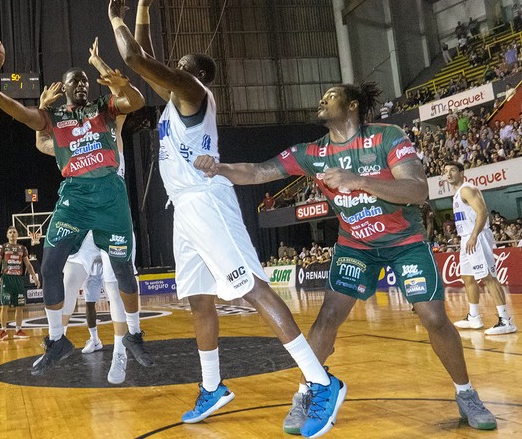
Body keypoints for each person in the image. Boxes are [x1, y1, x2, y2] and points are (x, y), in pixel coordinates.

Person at [108, 0, 345, 438]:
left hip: (207, 205)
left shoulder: (195, 95)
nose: (165, 72)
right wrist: (144, 9)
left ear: (191, 75)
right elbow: (146, 59)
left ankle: (322, 381)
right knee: (199, 299)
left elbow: (137, 58)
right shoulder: (178, 99)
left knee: (253, 289)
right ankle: (213, 386)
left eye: (174, 68)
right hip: (184, 209)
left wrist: (117, 17)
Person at [193, 82, 498, 431]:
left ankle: (466, 393)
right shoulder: (313, 152)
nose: (322, 99)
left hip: (405, 241)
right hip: (356, 246)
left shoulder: (387, 137)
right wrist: (219, 168)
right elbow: (259, 171)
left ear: (353, 105)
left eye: (332, 95)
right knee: (326, 320)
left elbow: (417, 189)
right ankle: (306, 393)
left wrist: (360, 181)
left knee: (433, 317)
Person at [0, 39, 153, 374]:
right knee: (51, 268)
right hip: (74, 199)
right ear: (63, 88)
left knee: (122, 272)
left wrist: (117, 79)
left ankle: (134, 335)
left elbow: (135, 101)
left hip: (110, 195)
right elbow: (21, 116)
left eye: (84, 80)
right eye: (74, 81)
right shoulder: (54, 118)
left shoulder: (104, 108)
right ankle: (57, 340)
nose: (81, 84)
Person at [441, 162, 517, 335]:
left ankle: (505, 320)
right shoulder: (458, 193)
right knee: (467, 277)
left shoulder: (467, 190)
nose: (449, 174)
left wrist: (474, 235)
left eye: (452, 170)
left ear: (462, 172)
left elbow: (482, 212)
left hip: (477, 236)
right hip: (467, 237)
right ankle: (474, 317)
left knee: (488, 278)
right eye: (446, 171)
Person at [0, 226, 39, 340]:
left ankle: (18, 330)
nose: (12, 234)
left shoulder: (22, 248)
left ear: (17, 235)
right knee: (4, 306)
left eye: (14, 232)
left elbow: (28, 265)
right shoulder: (2, 247)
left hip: (18, 279)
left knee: (19, 306)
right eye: (10, 232)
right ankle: (3, 331)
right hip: (6, 279)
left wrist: (34, 277)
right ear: (7, 235)